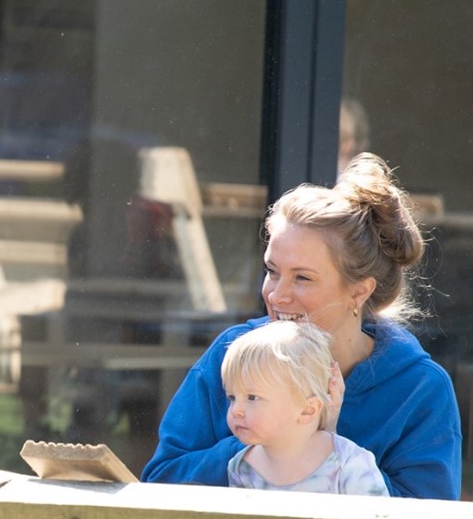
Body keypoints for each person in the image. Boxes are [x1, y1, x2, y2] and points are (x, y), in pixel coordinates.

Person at [142, 152, 461, 499]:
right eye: (272, 271)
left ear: (359, 292)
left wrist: (321, 452)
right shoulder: (229, 352)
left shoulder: (419, 389)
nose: (277, 295)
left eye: (303, 278)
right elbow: (161, 480)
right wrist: (256, 453)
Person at [221, 319, 388, 496]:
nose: (236, 410)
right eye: (232, 397)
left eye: (252, 397)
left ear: (308, 409)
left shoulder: (349, 464)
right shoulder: (241, 467)